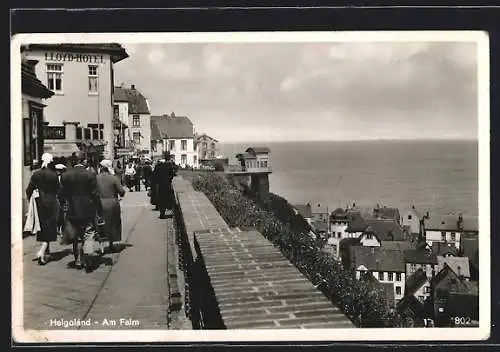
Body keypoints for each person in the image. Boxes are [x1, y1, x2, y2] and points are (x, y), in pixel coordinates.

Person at [59, 157, 104, 271]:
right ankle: (88, 258)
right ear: (84, 162)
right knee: (88, 234)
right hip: (88, 209)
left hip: (72, 209)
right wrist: (99, 210)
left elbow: (61, 194)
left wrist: (63, 205)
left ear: (74, 162)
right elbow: (95, 194)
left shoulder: (65, 176)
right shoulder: (90, 175)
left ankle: (78, 260)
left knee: (77, 237)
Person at [25, 153, 60, 265]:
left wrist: (30, 200)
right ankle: (43, 251)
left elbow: (28, 190)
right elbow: (58, 190)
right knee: (50, 227)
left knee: (42, 226)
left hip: (39, 203)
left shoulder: (36, 174)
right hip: (51, 202)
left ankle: (45, 252)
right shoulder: (54, 175)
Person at [97, 159, 125, 254]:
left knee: (100, 224)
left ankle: (101, 247)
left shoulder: (95, 178)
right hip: (112, 202)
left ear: (101, 168)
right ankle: (111, 244)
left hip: (99, 203)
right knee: (113, 223)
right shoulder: (114, 179)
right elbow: (121, 191)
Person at [154, 152, 177, 219]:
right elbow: (171, 175)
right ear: (169, 158)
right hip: (167, 184)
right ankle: (166, 211)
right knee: (167, 198)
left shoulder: (158, 165)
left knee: (161, 198)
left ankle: (162, 212)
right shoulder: (169, 165)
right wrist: (169, 180)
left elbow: (155, 175)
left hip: (160, 184)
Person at [54, 163, 67, 235]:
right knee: (58, 214)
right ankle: (58, 228)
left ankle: (62, 229)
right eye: (57, 170)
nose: (57, 172)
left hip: (63, 198)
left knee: (63, 214)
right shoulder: (55, 178)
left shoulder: (64, 178)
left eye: (59, 170)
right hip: (57, 198)